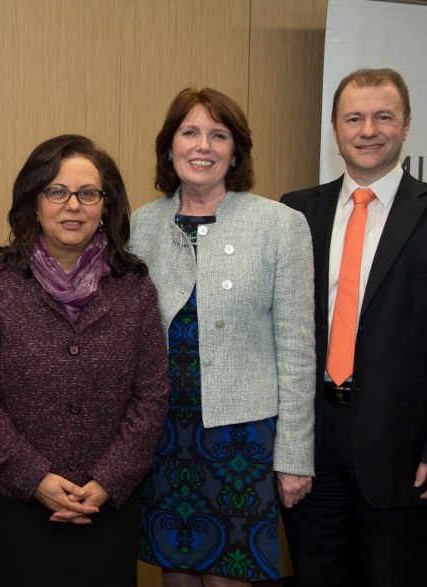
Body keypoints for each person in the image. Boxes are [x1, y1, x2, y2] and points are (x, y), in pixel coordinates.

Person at [280, 68, 427, 586]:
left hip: (405, 447)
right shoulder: (296, 212)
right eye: (354, 117)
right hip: (312, 439)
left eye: (383, 116)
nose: (368, 129)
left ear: (407, 125)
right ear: (335, 129)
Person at [0, 134, 169, 586]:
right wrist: (35, 478)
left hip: (104, 505)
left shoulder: (135, 290)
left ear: (105, 207)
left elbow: (151, 396)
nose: (74, 205)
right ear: (33, 203)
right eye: (57, 191)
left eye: (88, 194)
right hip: (12, 504)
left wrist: (108, 479)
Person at [130, 87, 316, 585]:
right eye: (189, 132)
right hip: (163, 433)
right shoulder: (141, 226)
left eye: (219, 134)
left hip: (243, 438)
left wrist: (296, 457)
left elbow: (298, 350)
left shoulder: (280, 225)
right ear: (169, 147)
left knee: (230, 574)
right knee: (177, 567)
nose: (203, 146)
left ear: (236, 152)